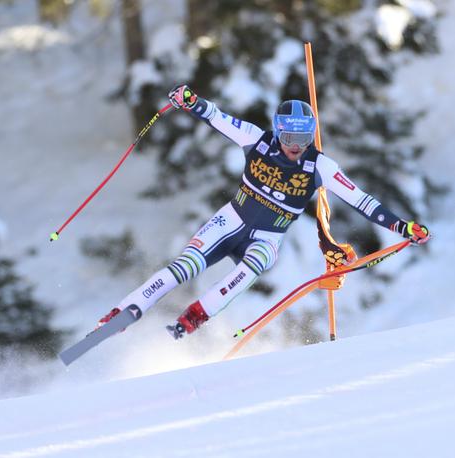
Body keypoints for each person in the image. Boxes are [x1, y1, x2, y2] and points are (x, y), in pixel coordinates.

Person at [96, 84, 431, 339]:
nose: (295, 145)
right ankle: (126, 310)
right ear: (277, 129)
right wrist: (191, 101)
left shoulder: (320, 166)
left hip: (268, 237)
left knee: (255, 265)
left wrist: (403, 228)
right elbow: (216, 117)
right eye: (288, 135)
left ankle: (196, 316)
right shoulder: (256, 140)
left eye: (303, 137)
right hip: (232, 220)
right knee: (185, 267)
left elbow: (362, 201)